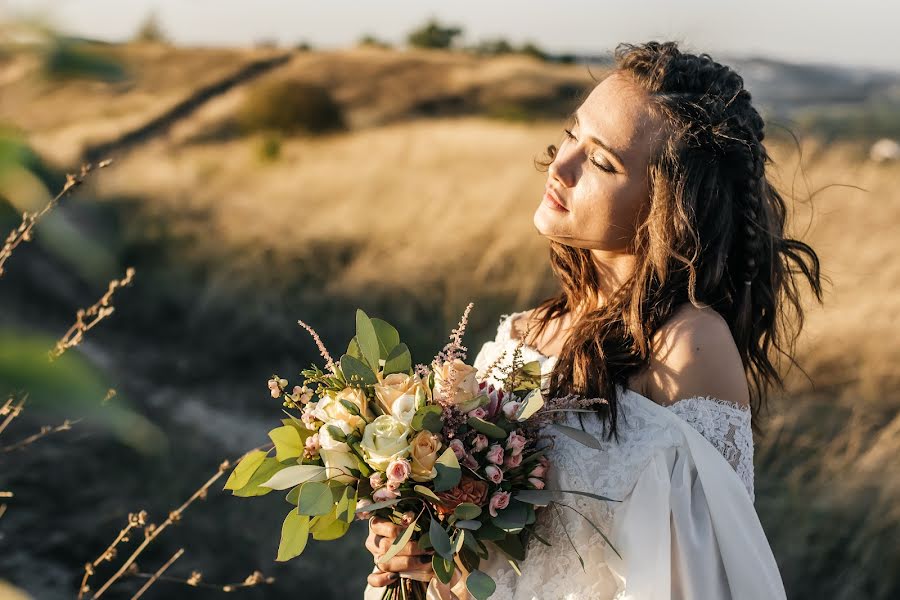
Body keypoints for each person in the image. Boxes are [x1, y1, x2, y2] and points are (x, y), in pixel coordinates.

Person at [365, 39, 822, 599]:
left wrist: (469, 586)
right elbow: (488, 555)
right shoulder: (519, 334)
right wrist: (422, 541)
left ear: (666, 206)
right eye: (572, 134)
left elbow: (695, 587)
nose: (561, 164)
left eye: (602, 161)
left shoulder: (687, 346)